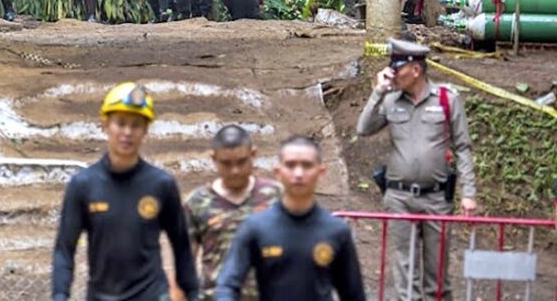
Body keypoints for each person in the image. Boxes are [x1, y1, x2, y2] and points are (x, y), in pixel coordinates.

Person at [52, 82, 199, 301]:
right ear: (105, 125)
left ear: (146, 129)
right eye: (120, 124)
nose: (127, 132)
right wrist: (59, 295)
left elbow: (181, 247)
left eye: (136, 125)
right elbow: (64, 249)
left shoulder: (161, 185)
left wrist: (192, 293)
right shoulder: (83, 185)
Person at [357, 38, 478, 301]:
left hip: (436, 199)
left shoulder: (447, 98)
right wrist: (378, 91)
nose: (392, 74)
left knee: (437, 280)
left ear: (416, 70)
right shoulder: (390, 101)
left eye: (397, 68)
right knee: (406, 275)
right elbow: (363, 129)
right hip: (399, 198)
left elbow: (463, 148)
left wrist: (469, 193)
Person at [215, 136, 366, 301]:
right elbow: (228, 284)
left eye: (307, 165)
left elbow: (353, 294)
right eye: (291, 165)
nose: (298, 173)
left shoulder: (336, 230)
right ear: (278, 171)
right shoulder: (255, 227)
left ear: (321, 171)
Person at [184, 125, 281, 300]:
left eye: (241, 162)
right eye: (226, 163)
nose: (235, 170)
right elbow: (185, 263)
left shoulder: (276, 196)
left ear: (253, 154)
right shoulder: (197, 203)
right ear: (214, 158)